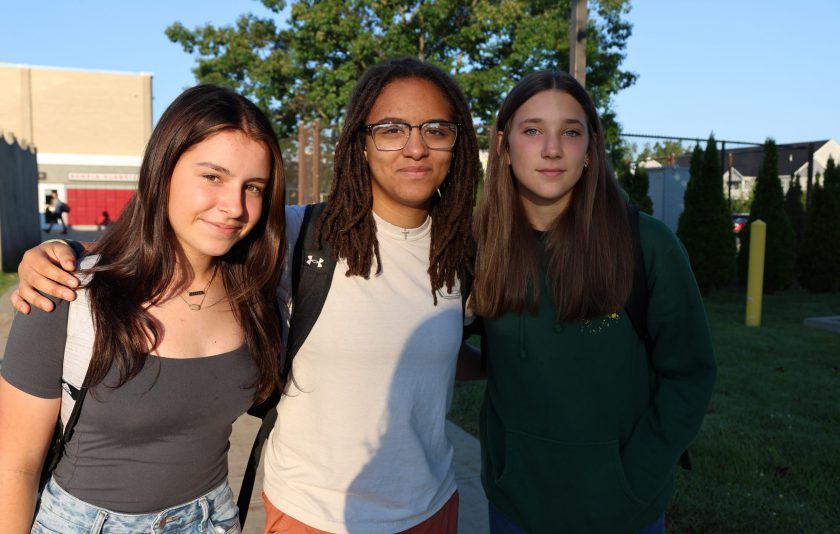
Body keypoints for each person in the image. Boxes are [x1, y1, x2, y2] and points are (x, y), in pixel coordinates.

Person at [11, 58, 482, 534]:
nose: (415, 147)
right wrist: (59, 253)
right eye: (391, 128)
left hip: (419, 505)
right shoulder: (299, 239)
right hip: (311, 513)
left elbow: (422, 344)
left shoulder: (461, 250)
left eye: (437, 129)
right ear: (360, 142)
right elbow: (169, 248)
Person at [0, 84, 286, 533]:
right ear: (162, 171)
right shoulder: (64, 292)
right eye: (212, 176)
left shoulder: (259, 295)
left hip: (211, 520)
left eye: (253, 187)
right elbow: (13, 467)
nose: (234, 206)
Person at [469, 71, 717, 533]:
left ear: (590, 150)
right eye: (531, 130)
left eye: (570, 131)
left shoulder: (648, 245)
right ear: (503, 145)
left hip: (622, 510)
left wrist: (636, 477)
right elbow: (432, 345)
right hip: (514, 505)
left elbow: (690, 373)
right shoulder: (480, 248)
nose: (551, 149)